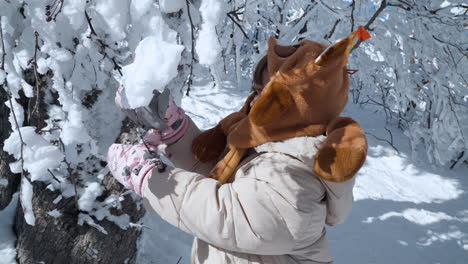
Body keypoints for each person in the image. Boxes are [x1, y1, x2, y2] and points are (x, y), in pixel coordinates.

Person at [108, 32, 369, 263]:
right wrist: (175, 132)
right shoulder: (265, 147)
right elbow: (219, 175)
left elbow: (230, 215)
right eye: (255, 91)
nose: (254, 101)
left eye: (267, 94)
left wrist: (151, 178)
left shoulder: (296, 172)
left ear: (304, 108)